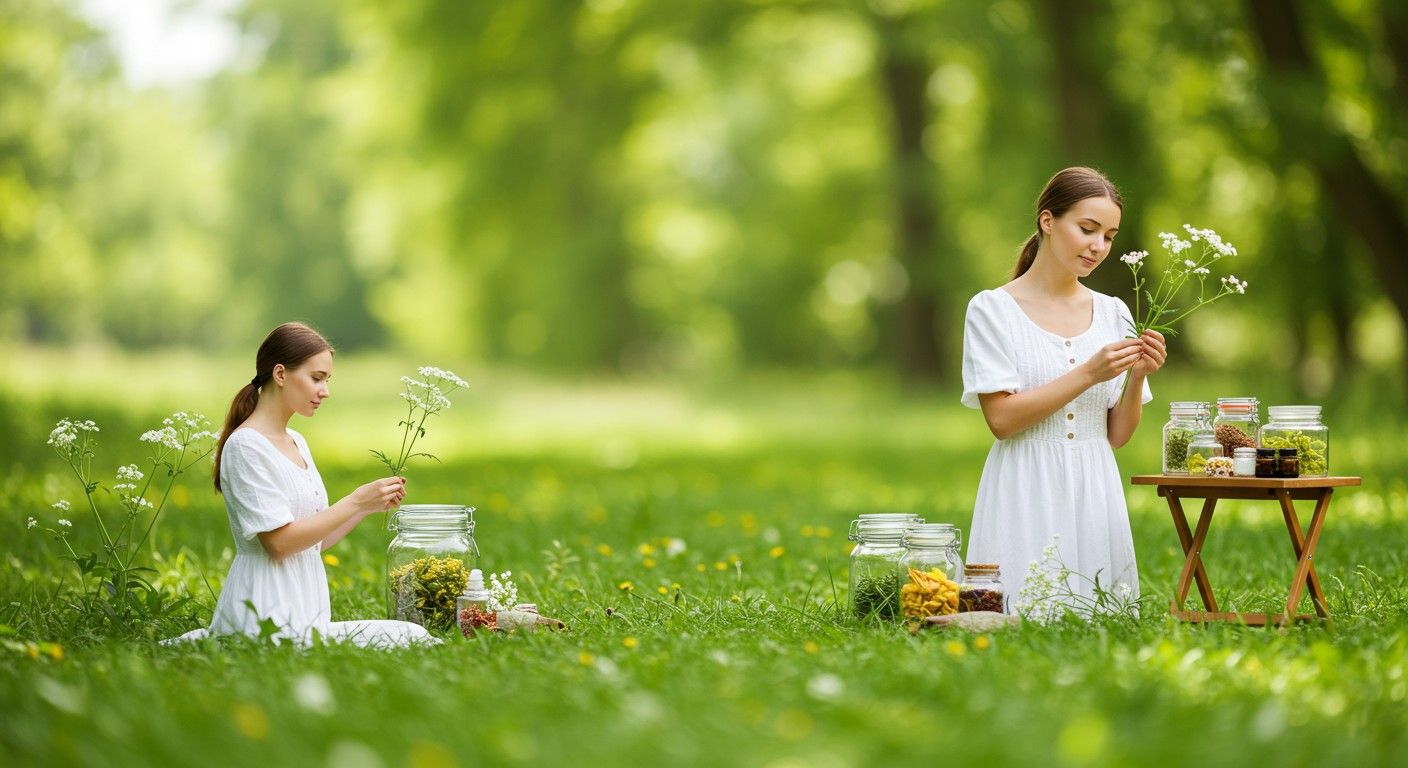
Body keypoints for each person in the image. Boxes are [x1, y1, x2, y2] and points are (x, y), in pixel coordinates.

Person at [961, 167, 1166, 615]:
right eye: (1087, 229)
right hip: (1023, 486)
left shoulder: (1113, 312)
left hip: (1094, 486)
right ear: (1048, 221)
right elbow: (1002, 421)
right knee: (1016, 618)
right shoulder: (993, 310)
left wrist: (1138, 375)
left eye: (1109, 236)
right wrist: (1089, 373)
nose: (1098, 246)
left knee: (1099, 620)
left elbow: (1117, 435)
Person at [167, 322, 436, 647]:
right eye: (316, 378)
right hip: (264, 617)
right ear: (280, 374)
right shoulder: (246, 447)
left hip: (308, 617)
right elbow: (279, 545)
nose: (325, 391)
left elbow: (312, 542)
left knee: (414, 635)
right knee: (408, 640)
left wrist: (366, 507)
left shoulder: (296, 441)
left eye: (327, 380)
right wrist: (354, 500)